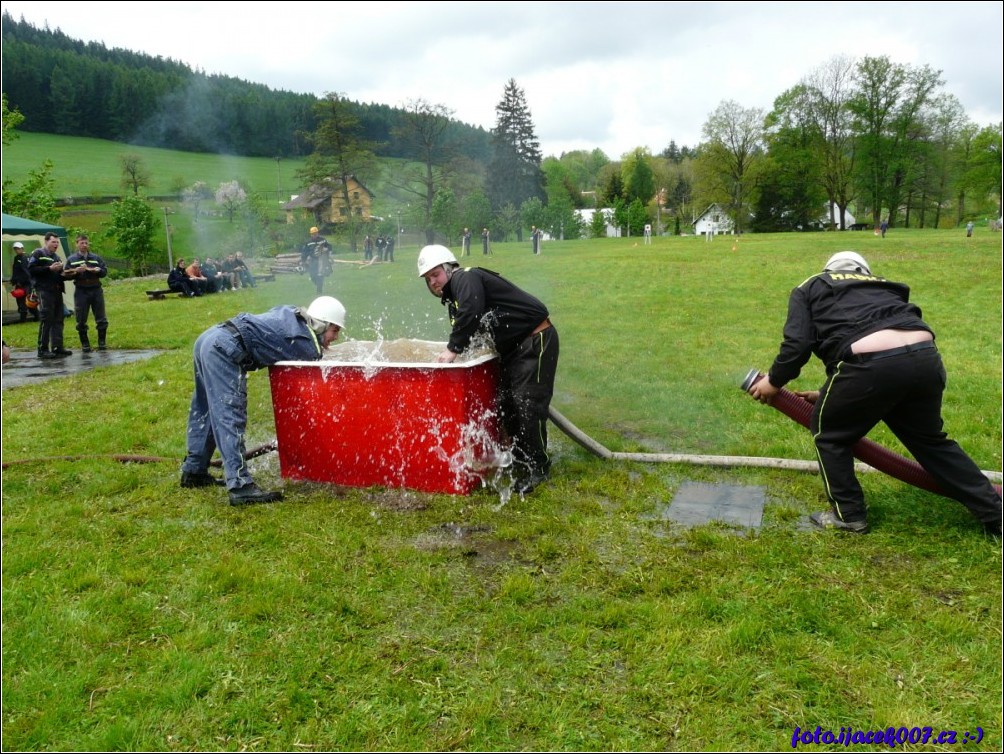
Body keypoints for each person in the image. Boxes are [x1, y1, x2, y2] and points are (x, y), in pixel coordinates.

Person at [747, 250, 1002, 536]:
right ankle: (996, 514)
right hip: (925, 359)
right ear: (863, 272)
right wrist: (829, 394)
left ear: (829, 269)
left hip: (872, 366)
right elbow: (873, 337)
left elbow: (799, 344)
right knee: (931, 442)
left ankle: (849, 515)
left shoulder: (812, 285)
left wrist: (774, 382)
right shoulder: (881, 285)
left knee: (829, 435)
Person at [417, 244, 559, 495]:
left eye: (436, 274)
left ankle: (538, 467)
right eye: (428, 279)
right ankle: (520, 462)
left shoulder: (465, 277)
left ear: (449, 268)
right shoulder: (454, 299)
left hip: (534, 340)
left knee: (527, 405)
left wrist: (453, 349)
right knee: (507, 406)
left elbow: (471, 311)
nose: (433, 282)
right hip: (513, 350)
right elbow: (474, 329)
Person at [180, 296, 347, 505]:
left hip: (208, 339)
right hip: (224, 349)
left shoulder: (293, 312)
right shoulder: (307, 344)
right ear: (322, 325)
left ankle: (194, 470)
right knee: (229, 415)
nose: (337, 337)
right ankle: (241, 486)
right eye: (335, 330)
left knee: (205, 407)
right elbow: (320, 368)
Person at [26, 232, 71, 359]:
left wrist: (68, 274)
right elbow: (30, 269)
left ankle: (57, 347)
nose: (56, 244)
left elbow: (58, 274)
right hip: (44, 290)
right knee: (47, 319)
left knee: (58, 319)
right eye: (53, 242)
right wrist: (49, 269)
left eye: (57, 242)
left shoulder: (56, 257)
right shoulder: (38, 253)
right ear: (46, 242)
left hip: (56, 291)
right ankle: (42, 349)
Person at [64, 233, 109, 352]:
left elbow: (104, 272)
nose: (84, 245)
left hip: (95, 289)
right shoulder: (72, 259)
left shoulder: (95, 258)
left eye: (86, 243)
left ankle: (102, 342)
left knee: (101, 317)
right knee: (81, 318)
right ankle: (85, 343)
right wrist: (76, 272)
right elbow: (65, 274)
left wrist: (98, 271)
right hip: (81, 290)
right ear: (77, 244)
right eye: (82, 243)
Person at [9, 241, 37, 323]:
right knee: (20, 300)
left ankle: (30, 317)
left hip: (26, 284)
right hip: (19, 283)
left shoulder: (25, 257)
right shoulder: (16, 258)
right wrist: (14, 280)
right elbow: (16, 271)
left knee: (26, 301)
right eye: (15, 249)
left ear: (22, 248)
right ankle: (28, 317)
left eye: (18, 248)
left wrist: (28, 282)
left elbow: (26, 272)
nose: (17, 250)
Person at [300, 226, 332, 294]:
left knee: (320, 275)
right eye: (313, 234)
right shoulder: (308, 242)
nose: (314, 235)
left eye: (315, 233)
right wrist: (303, 261)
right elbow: (304, 252)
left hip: (322, 260)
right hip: (313, 260)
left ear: (317, 233)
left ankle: (319, 290)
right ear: (311, 234)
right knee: (312, 275)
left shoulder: (323, 240)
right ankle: (319, 285)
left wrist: (327, 249)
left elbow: (329, 246)